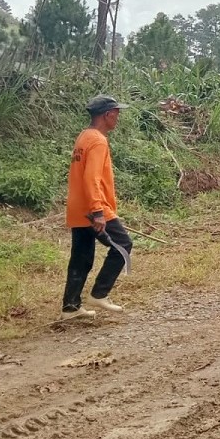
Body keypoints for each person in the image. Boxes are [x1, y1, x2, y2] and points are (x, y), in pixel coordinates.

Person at [62, 95, 133, 320]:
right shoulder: (98, 141)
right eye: (117, 113)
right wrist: (98, 212)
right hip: (94, 209)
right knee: (123, 244)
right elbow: (91, 178)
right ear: (107, 114)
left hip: (78, 208)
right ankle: (99, 294)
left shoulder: (84, 137)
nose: (118, 118)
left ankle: (70, 307)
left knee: (81, 258)